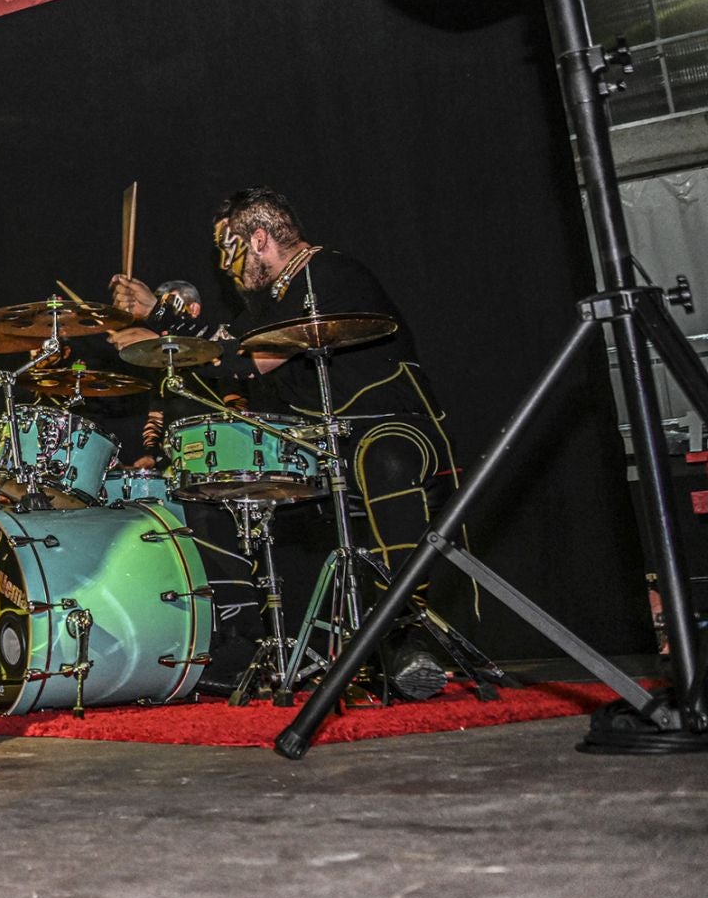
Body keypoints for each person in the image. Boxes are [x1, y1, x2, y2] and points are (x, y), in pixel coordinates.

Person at [110, 187, 460, 696]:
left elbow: (254, 358)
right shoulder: (267, 302)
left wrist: (162, 329)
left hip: (387, 422)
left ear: (256, 239)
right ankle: (251, 640)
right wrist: (155, 314)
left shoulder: (328, 274)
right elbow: (222, 347)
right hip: (323, 443)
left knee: (384, 458)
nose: (224, 264)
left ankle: (405, 631)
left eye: (225, 247)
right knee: (223, 490)